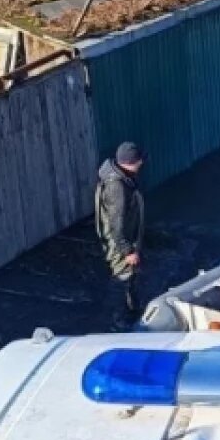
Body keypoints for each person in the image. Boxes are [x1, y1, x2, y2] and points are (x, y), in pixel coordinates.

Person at [95, 141, 146, 330]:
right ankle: (117, 322)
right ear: (130, 162)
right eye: (138, 161)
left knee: (131, 277)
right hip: (120, 243)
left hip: (126, 238)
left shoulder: (121, 177)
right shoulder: (117, 187)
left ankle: (133, 310)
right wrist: (127, 250)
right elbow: (116, 224)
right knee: (122, 277)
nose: (141, 164)